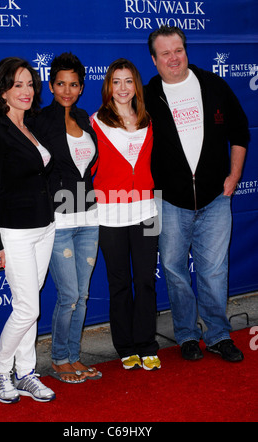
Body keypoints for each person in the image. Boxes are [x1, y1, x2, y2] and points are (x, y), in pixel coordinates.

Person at [145, 26, 250, 362]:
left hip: (216, 198)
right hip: (169, 202)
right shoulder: (147, 96)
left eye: (178, 50)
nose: (174, 58)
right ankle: (187, 335)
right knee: (174, 270)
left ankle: (218, 335)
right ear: (154, 59)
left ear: (185, 50)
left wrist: (233, 176)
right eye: (166, 53)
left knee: (215, 271)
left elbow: (240, 132)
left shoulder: (213, 85)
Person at [0, 57, 56, 404]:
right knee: (28, 308)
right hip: (15, 232)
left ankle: (25, 373)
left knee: (28, 302)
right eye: (17, 85)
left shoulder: (35, 124)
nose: (26, 91)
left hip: (45, 227)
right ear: (3, 91)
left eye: (29, 84)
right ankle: (0, 370)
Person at [30, 53, 101, 383]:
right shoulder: (40, 120)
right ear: (51, 85)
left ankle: (74, 357)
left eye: (73, 84)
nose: (67, 90)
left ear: (81, 87)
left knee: (83, 296)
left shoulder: (86, 118)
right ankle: (59, 359)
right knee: (69, 295)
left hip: (89, 215)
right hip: (59, 220)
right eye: (61, 84)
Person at [91, 58, 161, 371]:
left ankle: (147, 343)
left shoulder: (148, 120)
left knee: (145, 279)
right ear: (108, 86)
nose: (122, 88)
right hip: (109, 213)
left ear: (136, 86)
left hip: (147, 210)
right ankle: (126, 346)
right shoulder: (94, 122)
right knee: (119, 282)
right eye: (116, 81)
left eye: (128, 81)